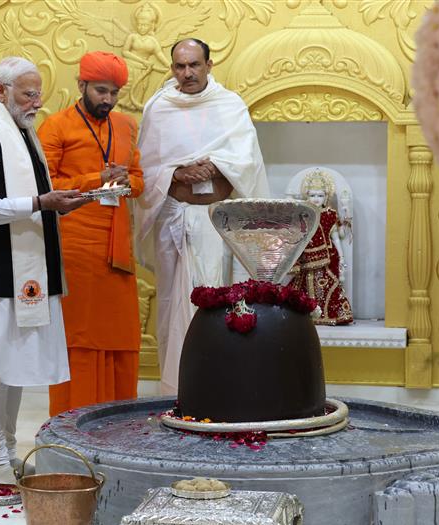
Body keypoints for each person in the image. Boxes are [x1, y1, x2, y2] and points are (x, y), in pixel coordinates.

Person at [0, 57, 88, 484]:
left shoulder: (21, 132)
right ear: (0, 92)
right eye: (28, 93)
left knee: (14, 367)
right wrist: (39, 204)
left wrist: (59, 204)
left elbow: (29, 199)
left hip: (21, 275)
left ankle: (8, 453)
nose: (37, 102)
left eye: (38, 93)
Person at [135, 38, 270, 394]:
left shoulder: (229, 105)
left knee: (214, 296)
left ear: (210, 65)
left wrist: (214, 164)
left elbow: (248, 161)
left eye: (194, 65)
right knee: (169, 302)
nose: (187, 73)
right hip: (171, 217)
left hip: (215, 222)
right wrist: (177, 173)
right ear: (172, 69)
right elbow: (145, 167)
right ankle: (174, 387)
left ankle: (216, 386)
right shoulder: (159, 107)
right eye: (180, 67)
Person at [38, 51, 144, 417]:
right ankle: (74, 424)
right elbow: (46, 185)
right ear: (81, 85)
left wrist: (127, 180)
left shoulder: (127, 125)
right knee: (79, 340)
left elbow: (139, 180)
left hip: (117, 248)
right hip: (75, 247)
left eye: (114, 93)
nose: (108, 100)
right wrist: (95, 180)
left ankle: (117, 425)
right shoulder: (56, 126)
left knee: (121, 338)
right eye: (101, 90)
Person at [290, 170, 354, 325]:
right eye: (312, 195)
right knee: (303, 284)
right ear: (307, 196)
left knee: (328, 284)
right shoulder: (303, 214)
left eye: (320, 196)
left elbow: (337, 237)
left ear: (326, 197)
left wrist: (342, 259)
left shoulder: (330, 214)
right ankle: (305, 315)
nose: (316, 199)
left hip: (327, 256)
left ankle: (326, 314)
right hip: (306, 256)